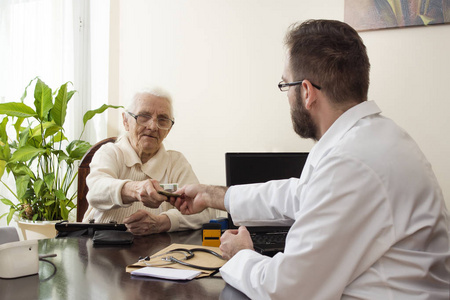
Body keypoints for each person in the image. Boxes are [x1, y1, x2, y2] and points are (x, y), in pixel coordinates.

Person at [171, 19, 450, 299]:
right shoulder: (374, 137)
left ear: (306, 91)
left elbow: (286, 290)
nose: (286, 95)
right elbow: (300, 195)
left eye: (285, 84)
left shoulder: (352, 161)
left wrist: (241, 255)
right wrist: (212, 195)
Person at [82, 88, 216, 235]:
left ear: (168, 129)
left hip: (156, 252)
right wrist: (134, 189)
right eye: (144, 116)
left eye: (162, 120)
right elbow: (95, 191)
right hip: (101, 247)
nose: (152, 126)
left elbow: (206, 212)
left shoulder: (176, 162)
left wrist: (162, 222)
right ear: (126, 122)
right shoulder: (110, 152)